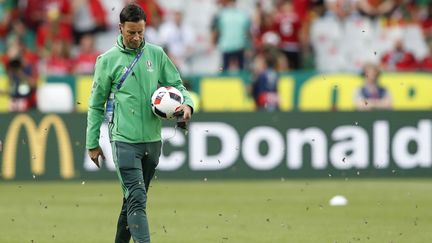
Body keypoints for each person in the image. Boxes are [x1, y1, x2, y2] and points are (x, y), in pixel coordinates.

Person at [85, 4, 194, 243]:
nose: (136, 37)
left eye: (140, 32)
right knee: (137, 199)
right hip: (124, 141)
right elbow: (95, 105)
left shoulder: (156, 54)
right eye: (131, 32)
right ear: (120, 28)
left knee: (132, 201)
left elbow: (178, 85)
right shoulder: (107, 60)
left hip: (153, 141)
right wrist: (92, 143)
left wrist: (187, 104)